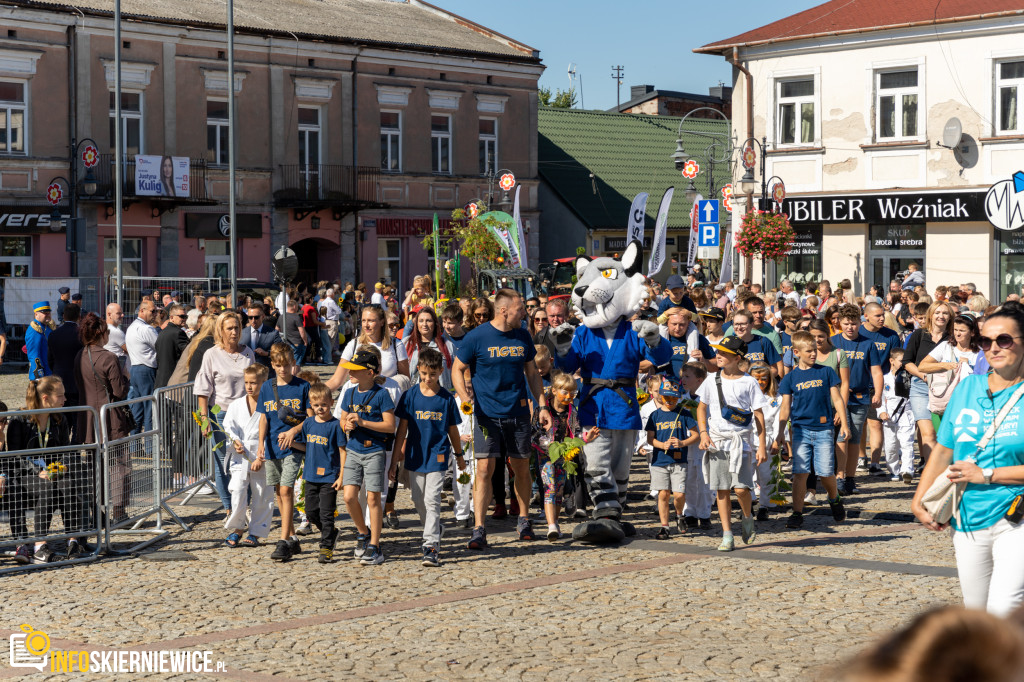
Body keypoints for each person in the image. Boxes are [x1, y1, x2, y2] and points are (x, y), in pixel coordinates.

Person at [912, 302, 1024, 616]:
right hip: (966, 517)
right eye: (985, 341)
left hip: (1017, 517)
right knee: (976, 615)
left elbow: (979, 470)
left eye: (1004, 340)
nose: (993, 348)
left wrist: (986, 474)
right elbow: (945, 448)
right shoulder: (967, 389)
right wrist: (919, 498)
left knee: (1004, 610)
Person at [452, 289, 552, 550]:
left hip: (518, 413)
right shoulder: (477, 336)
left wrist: (541, 405)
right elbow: (456, 369)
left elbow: (532, 373)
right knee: (484, 470)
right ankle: (479, 528)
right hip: (486, 415)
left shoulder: (522, 336)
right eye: (521, 309)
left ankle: (523, 519)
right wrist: (465, 398)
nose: (525, 314)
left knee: (520, 467)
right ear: (504, 310)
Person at [390, 348, 466, 566]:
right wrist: (396, 460)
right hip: (415, 455)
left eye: (432, 374)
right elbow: (401, 430)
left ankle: (430, 545)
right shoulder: (410, 396)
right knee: (417, 499)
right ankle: (435, 528)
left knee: (432, 500)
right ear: (418, 370)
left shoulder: (446, 399)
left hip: (438, 455)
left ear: (440, 372)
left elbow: (453, 431)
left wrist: (459, 456)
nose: (428, 378)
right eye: (424, 374)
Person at [695, 336, 768, 551]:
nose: (718, 356)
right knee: (722, 489)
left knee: (741, 489)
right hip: (717, 441)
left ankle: (747, 516)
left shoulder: (749, 381)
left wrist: (761, 445)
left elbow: (759, 414)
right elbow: (701, 407)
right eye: (718, 352)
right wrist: (703, 433)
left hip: (741, 442)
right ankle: (727, 534)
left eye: (724, 353)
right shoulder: (711, 379)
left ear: (737, 358)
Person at [7, 376, 86, 564]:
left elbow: (66, 451)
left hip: (52, 472)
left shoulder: (59, 419)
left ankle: (73, 540)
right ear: (45, 398)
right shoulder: (20, 420)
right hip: (25, 475)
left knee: (67, 484)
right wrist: (37, 471)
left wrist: (57, 468)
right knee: (47, 489)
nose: (64, 399)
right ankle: (39, 545)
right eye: (60, 396)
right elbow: (15, 458)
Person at [777, 331, 850, 529]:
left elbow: (837, 398)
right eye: (808, 351)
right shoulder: (790, 378)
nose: (813, 354)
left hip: (824, 429)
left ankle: (834, 499)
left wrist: (844, 423)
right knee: (800, 472)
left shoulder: (826, 372)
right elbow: (785, 408)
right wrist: (780, 433)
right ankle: (797, 512)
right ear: (796, 352)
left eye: (815, 350)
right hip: (800, 430)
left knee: (825, 471)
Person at [338, 349, 396, 566]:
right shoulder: (349, 393)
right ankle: (363, 531)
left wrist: (362, 422)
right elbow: (342, 422)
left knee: (373, 498)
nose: (350, 372)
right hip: (353, 450)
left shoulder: (382, 395)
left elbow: (390, 426)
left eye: (356, 370)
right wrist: (348, 424)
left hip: (374, 451)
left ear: (370, 373)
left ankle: (375, 545)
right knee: (349, 496)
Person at [193, 311, 256, 512]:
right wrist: (205, 420)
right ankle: (229, 507)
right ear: (221, 330)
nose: (234, 332)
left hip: (245, 415)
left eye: (237, 327)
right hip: (220, 413)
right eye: (229, 328)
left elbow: (255, 383)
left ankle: (243, 505)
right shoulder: (211, 354)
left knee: (245, 460)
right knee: (223, 463)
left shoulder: (248, 353)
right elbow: (203, 390)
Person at [279, 382, 346, 564]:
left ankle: (326, 547)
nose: (320, 408)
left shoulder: (335, 425)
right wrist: (289, 439)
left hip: (329, 477)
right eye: (316, 405)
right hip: (310, 475)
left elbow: (342, 451)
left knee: (326, 513)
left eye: (323, 404)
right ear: (311, 405)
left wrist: (341, 476)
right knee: (311, 511)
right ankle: (330, 532)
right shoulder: (308, 423)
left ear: (331, 403)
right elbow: (301, 440)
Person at [256, 342, 311, 562]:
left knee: (287, 490)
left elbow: (310, 418)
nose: (282, 369)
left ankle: (283, 540)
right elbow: (263, 417)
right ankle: (292, 537)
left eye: (286, 365)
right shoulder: (268, 387)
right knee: (279, 492)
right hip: (271, 446)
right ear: (272, 365)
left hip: (294, 446)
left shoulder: (302, 386)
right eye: (278, 365)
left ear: (293, 364)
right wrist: (260, 443)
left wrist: (293, 432)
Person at [832, 303, 883, 494]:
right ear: (840, 324)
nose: (850, 327)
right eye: (846, 324)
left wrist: (877, 393)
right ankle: (839, 476)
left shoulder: (868, 344)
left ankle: (851, 478)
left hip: (860, 397)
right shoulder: (833, 342)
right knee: (841, 437)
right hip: (838, 396)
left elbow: (876, 371)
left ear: (860, 323)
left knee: (854, 437)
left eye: (853, 323)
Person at [221, 363, 273, 548]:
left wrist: (261, 456)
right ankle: (237, 529)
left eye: (254, 383)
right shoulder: (236, 405)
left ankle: (256, 532)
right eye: (247, 382)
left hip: (261, 453)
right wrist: (235, 441)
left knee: (262, 493)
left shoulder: (270, 405)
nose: (250, 387)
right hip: (240, 454)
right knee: (237, 490)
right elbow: (228, 427)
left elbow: (272, 432)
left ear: (264, 382)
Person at [904, 301, 957, 468]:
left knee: (943, 433)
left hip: (946, 389)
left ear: (950, 317)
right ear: (931, 315)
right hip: (920, 387)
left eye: (945, 313)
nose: (941, 316)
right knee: (928, 433)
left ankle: (945, 469)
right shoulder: (919, 335)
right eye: (937, 312)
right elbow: (907, 362)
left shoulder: (953, 337)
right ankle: (932, 470)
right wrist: (924, 376)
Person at [646, 377, 699, 539]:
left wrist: (682, 442)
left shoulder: (684, 413)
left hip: (679, 461)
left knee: (679, 494)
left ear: (678, 397)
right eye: (667, 397)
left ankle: (679, 515)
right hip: (659, 461)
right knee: (663, 494)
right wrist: (662, 445)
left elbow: (696, 435)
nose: (670, 400)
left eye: (674, 397)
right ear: (660, 396)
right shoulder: (654, 415)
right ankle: (664, 526)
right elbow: (650, 438)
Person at [919, 313, 980, 431]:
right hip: (942, 403)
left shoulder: (979, 353)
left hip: (968, 407)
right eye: (955, 330)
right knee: (943, 443)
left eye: (962, 330)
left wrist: (971, 367)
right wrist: (945, 365)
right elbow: (922, 367)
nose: (957, 333)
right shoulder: (945, 346)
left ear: (972, 332)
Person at [328, 305, 409, 391]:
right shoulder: (354, 344)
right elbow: (336, 380)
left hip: (388, 398)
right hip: (359, 400)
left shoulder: (396, 345)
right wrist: (317, 393)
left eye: (371, 321)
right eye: (363, 321)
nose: (366, 325)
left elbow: (405, 380)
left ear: (382, 322)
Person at [748, 361, 781, 520]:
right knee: (746, 474)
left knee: (767, 474)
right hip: (747, 437)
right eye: (757, 379)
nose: (760, 382)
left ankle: (764, 505)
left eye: (764, 379)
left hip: (767, 438)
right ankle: (748, 503)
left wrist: (777, 440)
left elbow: (778, 421)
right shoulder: (745, 395)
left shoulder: (775, 398)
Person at [878, 347, 915, 484]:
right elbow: (880, 397)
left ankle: (907, 470)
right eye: (901, 361)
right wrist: (881, 411)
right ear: (891, 361)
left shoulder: (910, 377)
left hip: (906, 414)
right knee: (891, 447)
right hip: (889, 416)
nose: (903, 364)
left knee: (907, 444)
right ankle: (894, 470)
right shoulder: (884, 378)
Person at [125, 300, 159, 432]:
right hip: (146, 369)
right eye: (152, 311)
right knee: (150, 410)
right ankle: (151, 449)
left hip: (135, 369)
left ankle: (135, 446)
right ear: (142, 311)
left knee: (137, 411)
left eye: (156, 311)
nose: (155, 314)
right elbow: (159, 347)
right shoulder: (146, 329)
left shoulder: (131, 327)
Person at [404, 307, 455, 389]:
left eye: (428, 320)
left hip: (441, 395)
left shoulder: (447, 345)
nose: (424, 324)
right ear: (416, 324)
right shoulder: (406, 343)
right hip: (414, 395)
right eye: (421, 321)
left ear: (435, 324)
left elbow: (456, 372)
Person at [47, 302, 83, 408]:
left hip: (59, 378)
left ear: (63, 316)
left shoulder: (53, 334)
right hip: (77, 380)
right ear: (79, 317)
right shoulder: (81, 334)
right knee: (77, 414)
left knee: (60, 413)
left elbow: (50, 359)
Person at [732, 309, 783, 377]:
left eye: (743, 324)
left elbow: (774, 370)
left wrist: (758, 377)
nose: (739, 327)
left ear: (752, 324)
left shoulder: (763, 341)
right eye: (736, 324)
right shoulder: (730, 344)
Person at [154, 303, 189, 390]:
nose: (184, 319)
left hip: (160, 379)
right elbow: (189, 353)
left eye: (186, 316)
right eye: (181, 316)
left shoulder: (163, 332)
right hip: (172, 380)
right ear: (172, 317)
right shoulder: (178, 333)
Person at [240, 303, 281, 376]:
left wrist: (267, 353)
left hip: (266, 376)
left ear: (263, 316)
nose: (253, 320)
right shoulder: (242, 333)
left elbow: (281, 353)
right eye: (250, 317)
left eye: (256, 317)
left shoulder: (273, 333)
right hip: (247, 376)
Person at [25, 301, 53, 379]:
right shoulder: (34, 330)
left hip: (50, 371)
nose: (48, 315)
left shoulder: (48, 328)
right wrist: (39, 375)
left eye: (49, 313)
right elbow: (34, 355)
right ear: (36, 314)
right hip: (43, 374)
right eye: (45, 313)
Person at [276, 299, 308, 366]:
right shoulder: (296, 317)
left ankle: (291, 375)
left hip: (286, 342)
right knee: (296, 364)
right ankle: (294, 375)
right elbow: (302, 331)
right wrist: (305, 341)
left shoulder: (281, 317)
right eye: (297, 306)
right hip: (297, 342)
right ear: (294, 307)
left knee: (288, 363)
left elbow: (276, 330)